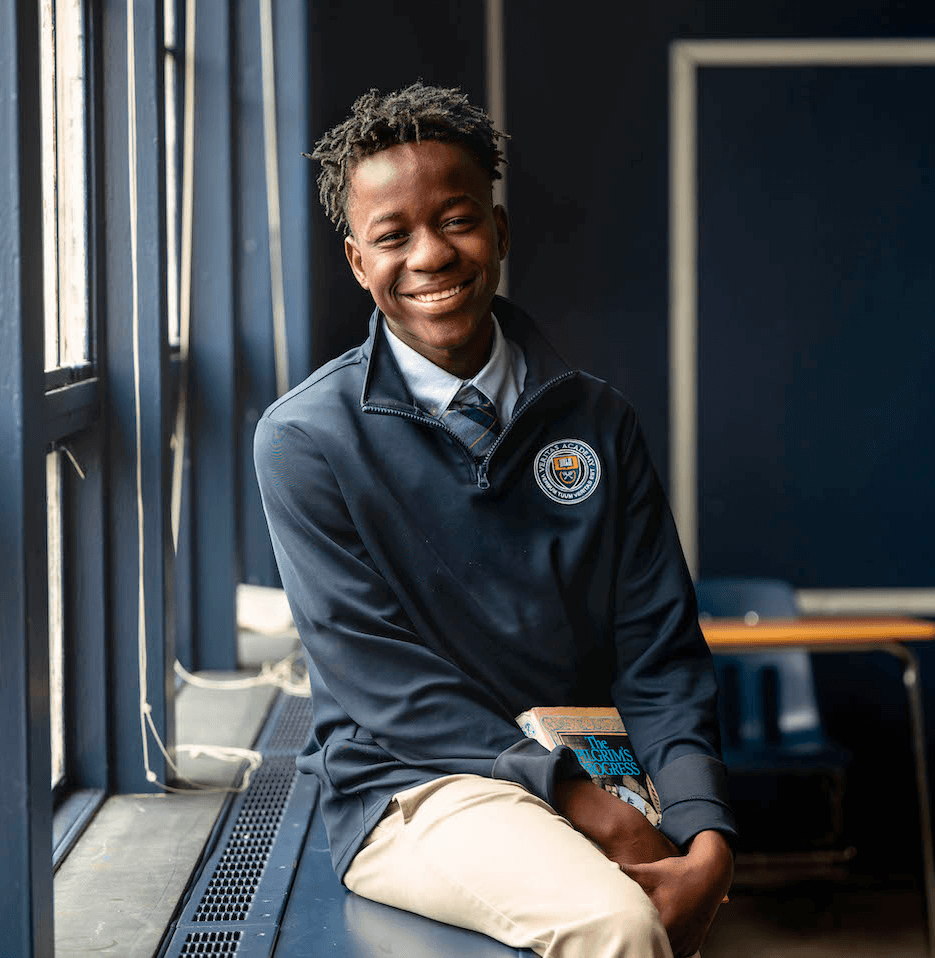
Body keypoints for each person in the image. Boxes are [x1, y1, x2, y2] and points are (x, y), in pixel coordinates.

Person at [254, 82, 735, 958]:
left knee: (681, 895)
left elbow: (659, 652)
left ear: (501, 233)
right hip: (420, 784)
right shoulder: (304, 439)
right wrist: (600, 814)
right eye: (393, 236)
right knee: (619, 925)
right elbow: (388, 687)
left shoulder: (598, 421)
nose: (430, 254)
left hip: (591, 758)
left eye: (457, 220)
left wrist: (708, 835)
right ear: (359, 262)